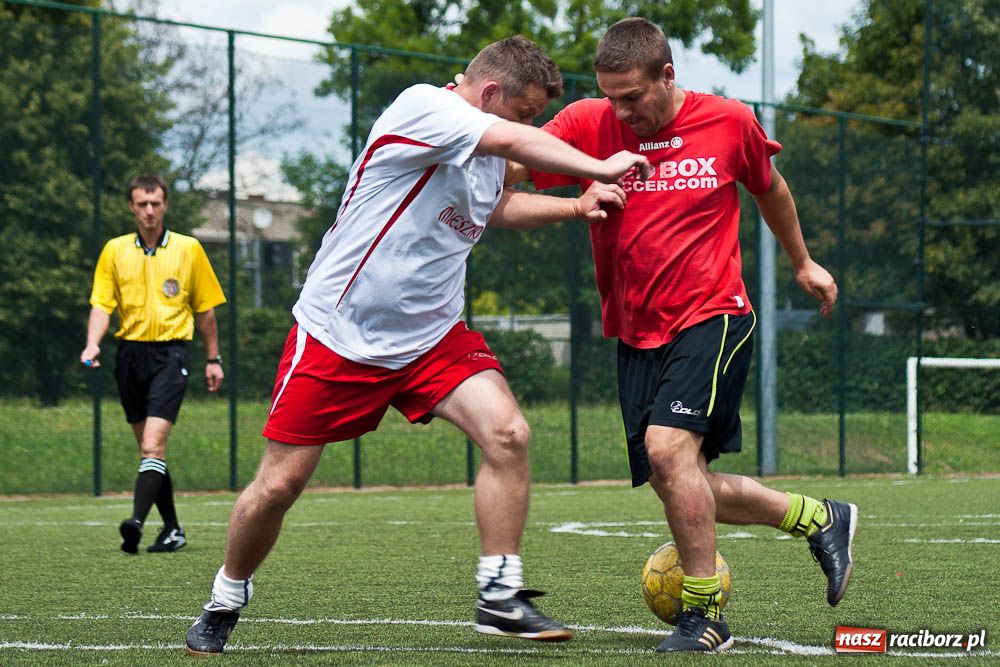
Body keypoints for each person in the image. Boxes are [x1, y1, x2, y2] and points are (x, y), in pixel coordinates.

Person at [185, 35, 651, 655]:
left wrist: (574, 208)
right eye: (524, 111)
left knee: (508, 433)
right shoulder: (424, 108)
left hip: (431, 337)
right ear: (489, 95)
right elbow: (512, 143)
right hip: (340, 331)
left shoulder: (486, 142)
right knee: (277, 488)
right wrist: (598, 166)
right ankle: (227, 594)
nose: (529, 124)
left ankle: (498, 593)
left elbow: (495, 205)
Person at [504, 18, 858, 653]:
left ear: (667, 76)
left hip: (713, 313)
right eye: (610, 96)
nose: (621, 110)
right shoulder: (588, 123)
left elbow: (770, 188)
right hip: (635, 331)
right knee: (681, 478)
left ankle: (706, 615)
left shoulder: (727, 121)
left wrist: (803, 262)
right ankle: (820, 518)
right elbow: (514, 171)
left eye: (633, 96)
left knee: (670, 451)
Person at [81, 173, 226, 555]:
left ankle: (137, 522)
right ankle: (173, 529)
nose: (149, 210)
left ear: (165, 205)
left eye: (156, 203)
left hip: (171, 354)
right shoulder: (114, 251)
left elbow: (206, 311)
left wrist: (213, 359)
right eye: (142, 204)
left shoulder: (189, 248)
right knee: (151, 454)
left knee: (152, 445)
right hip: (128, 357)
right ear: (131, 206)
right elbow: (101, 305)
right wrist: (92, 344)